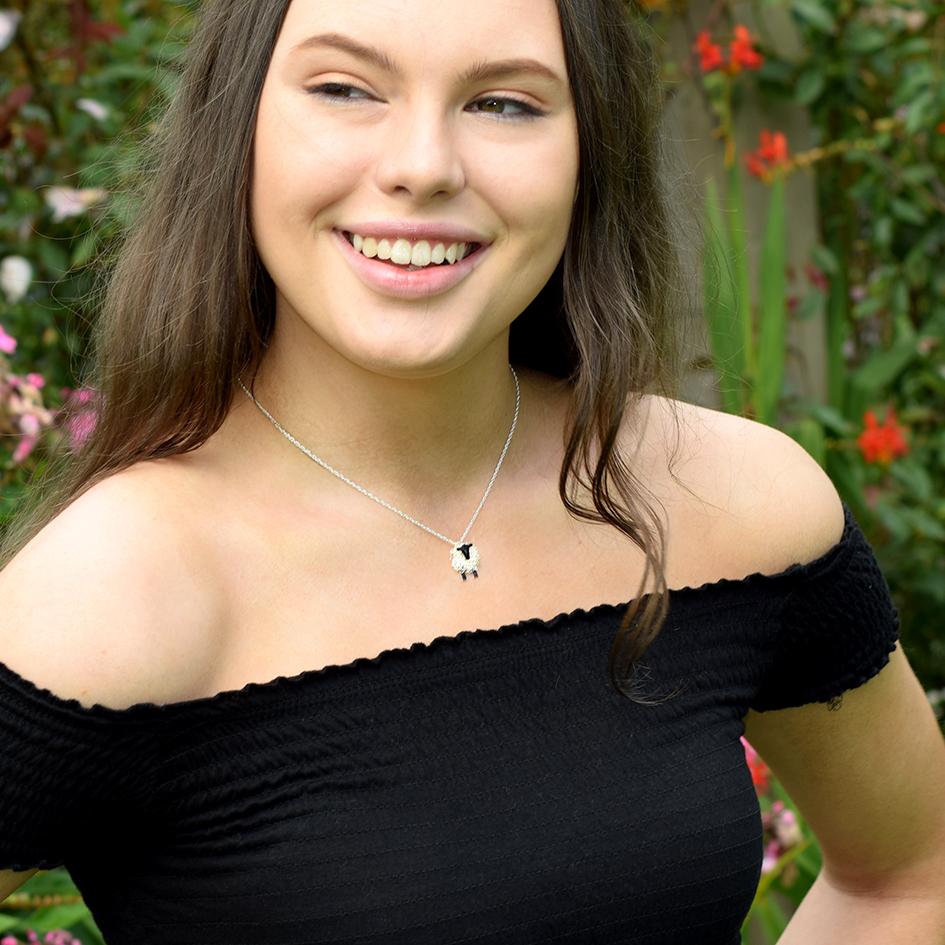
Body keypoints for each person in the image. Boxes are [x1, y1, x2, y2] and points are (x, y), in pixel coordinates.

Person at [1, 0, 944, 941]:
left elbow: (910, 876)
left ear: (591, 150)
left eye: (502, 103)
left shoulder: (732, 505)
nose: (422, 166)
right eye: (344, 89)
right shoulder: (114, 591)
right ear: (237, 123)